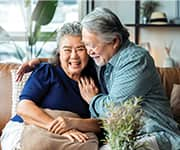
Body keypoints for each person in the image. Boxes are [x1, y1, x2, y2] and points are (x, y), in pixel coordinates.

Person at [17, 8, 180, 150]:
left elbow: (114, 111)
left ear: (114, 41)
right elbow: (73, 58)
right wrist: (41, 61)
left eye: (89, 46)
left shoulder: (135, 61)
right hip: (127, 135)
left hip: (154, 134)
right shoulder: (104, 59)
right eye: (85, 46)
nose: (88, 51)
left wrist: (93, 99)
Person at [0, 22, 101, 150]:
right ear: (59, 52)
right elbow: (24, 107)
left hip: (73, 134)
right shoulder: (47, 71)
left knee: (90, 144)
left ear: (88, 51)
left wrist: (92, 102)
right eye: (67, 50)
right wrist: (60, 128)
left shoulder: (95, 81)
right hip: (33, 126)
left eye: (80, 49)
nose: (74, 56)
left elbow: (101, 124)